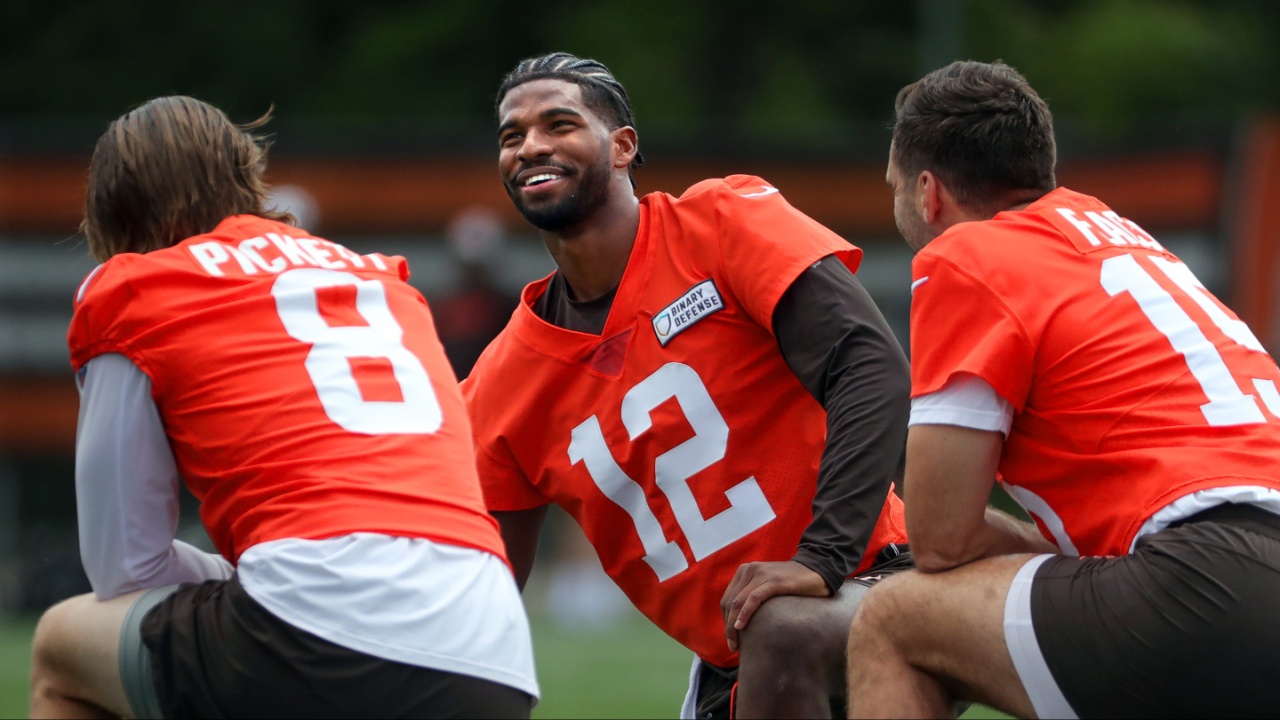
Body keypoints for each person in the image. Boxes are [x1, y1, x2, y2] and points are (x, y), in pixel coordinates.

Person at [29, 96, 538, 719]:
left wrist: (243, 571)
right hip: (494, 644)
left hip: (320, 631)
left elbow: (124, 568)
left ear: (112, 209)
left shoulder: (136, 287)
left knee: (64, 643)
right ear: (246, 174)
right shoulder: (383, 279)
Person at [463, 52, 912, 719]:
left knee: (785, 633)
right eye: (511, 135)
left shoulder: (721, 222)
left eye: (558, 124)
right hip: (732, 662)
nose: (531, 146)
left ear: (623, 147)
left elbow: (871, 364)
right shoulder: (500, 383)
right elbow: (482, 591)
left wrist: (822, 556)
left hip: (869, 577)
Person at [846, 60, 1280, 719]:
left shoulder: (966, 254)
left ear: (929, 193)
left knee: (895, 620)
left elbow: (940, 539)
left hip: (1212, 577)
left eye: (895, 187)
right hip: (1236, 555)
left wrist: (1049, 549)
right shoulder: (1119, 233)